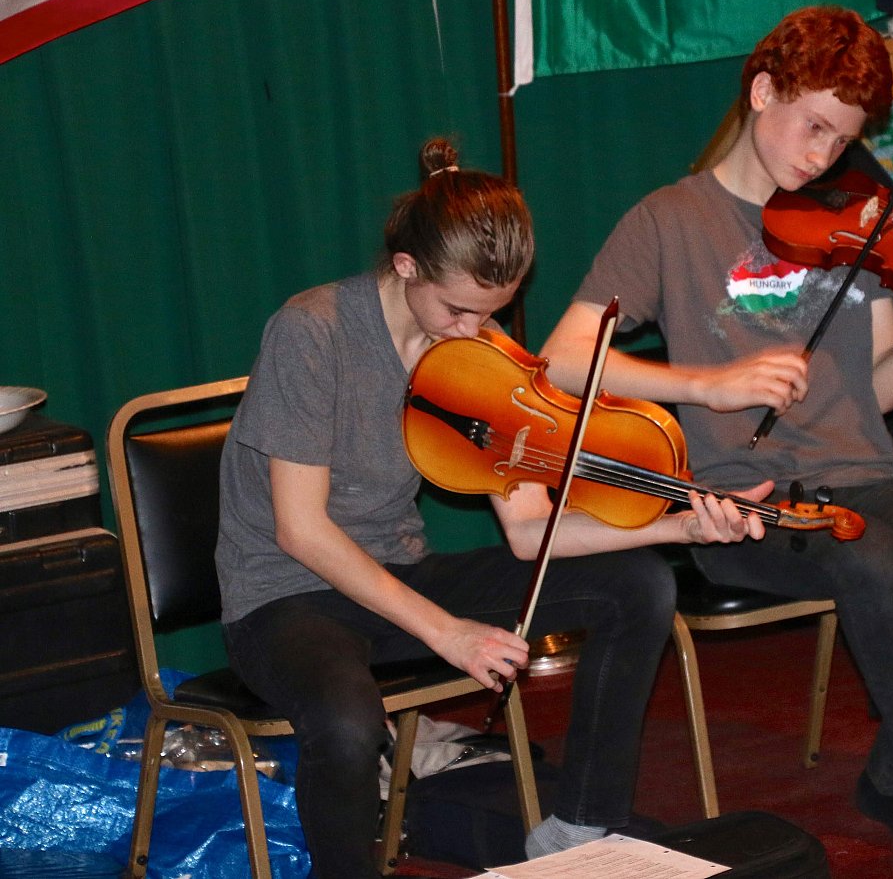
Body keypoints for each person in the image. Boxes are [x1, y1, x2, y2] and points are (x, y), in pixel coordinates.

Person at [540, 5, 893, 879]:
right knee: (870, 557)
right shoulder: (669, 219)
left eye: (842, 140)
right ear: (762, 92)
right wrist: (708, 384)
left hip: (870, 476)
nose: (823, 156)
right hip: (746, 500)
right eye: (813, 126)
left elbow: (874, 388)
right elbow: (562, 357)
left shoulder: (857, 222)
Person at [217, 139, 769, 879]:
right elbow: (302, 529)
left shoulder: (477, 345)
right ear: (406, 266)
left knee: (638, 584)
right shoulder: (312, 330)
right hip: (283, 597)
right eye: (457, 309)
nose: (469, 333)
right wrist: (447, 632)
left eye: (490, 315)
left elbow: (533, 530)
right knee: (348, 722)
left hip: (398, 576)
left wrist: (679, 525)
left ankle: (579, 828)